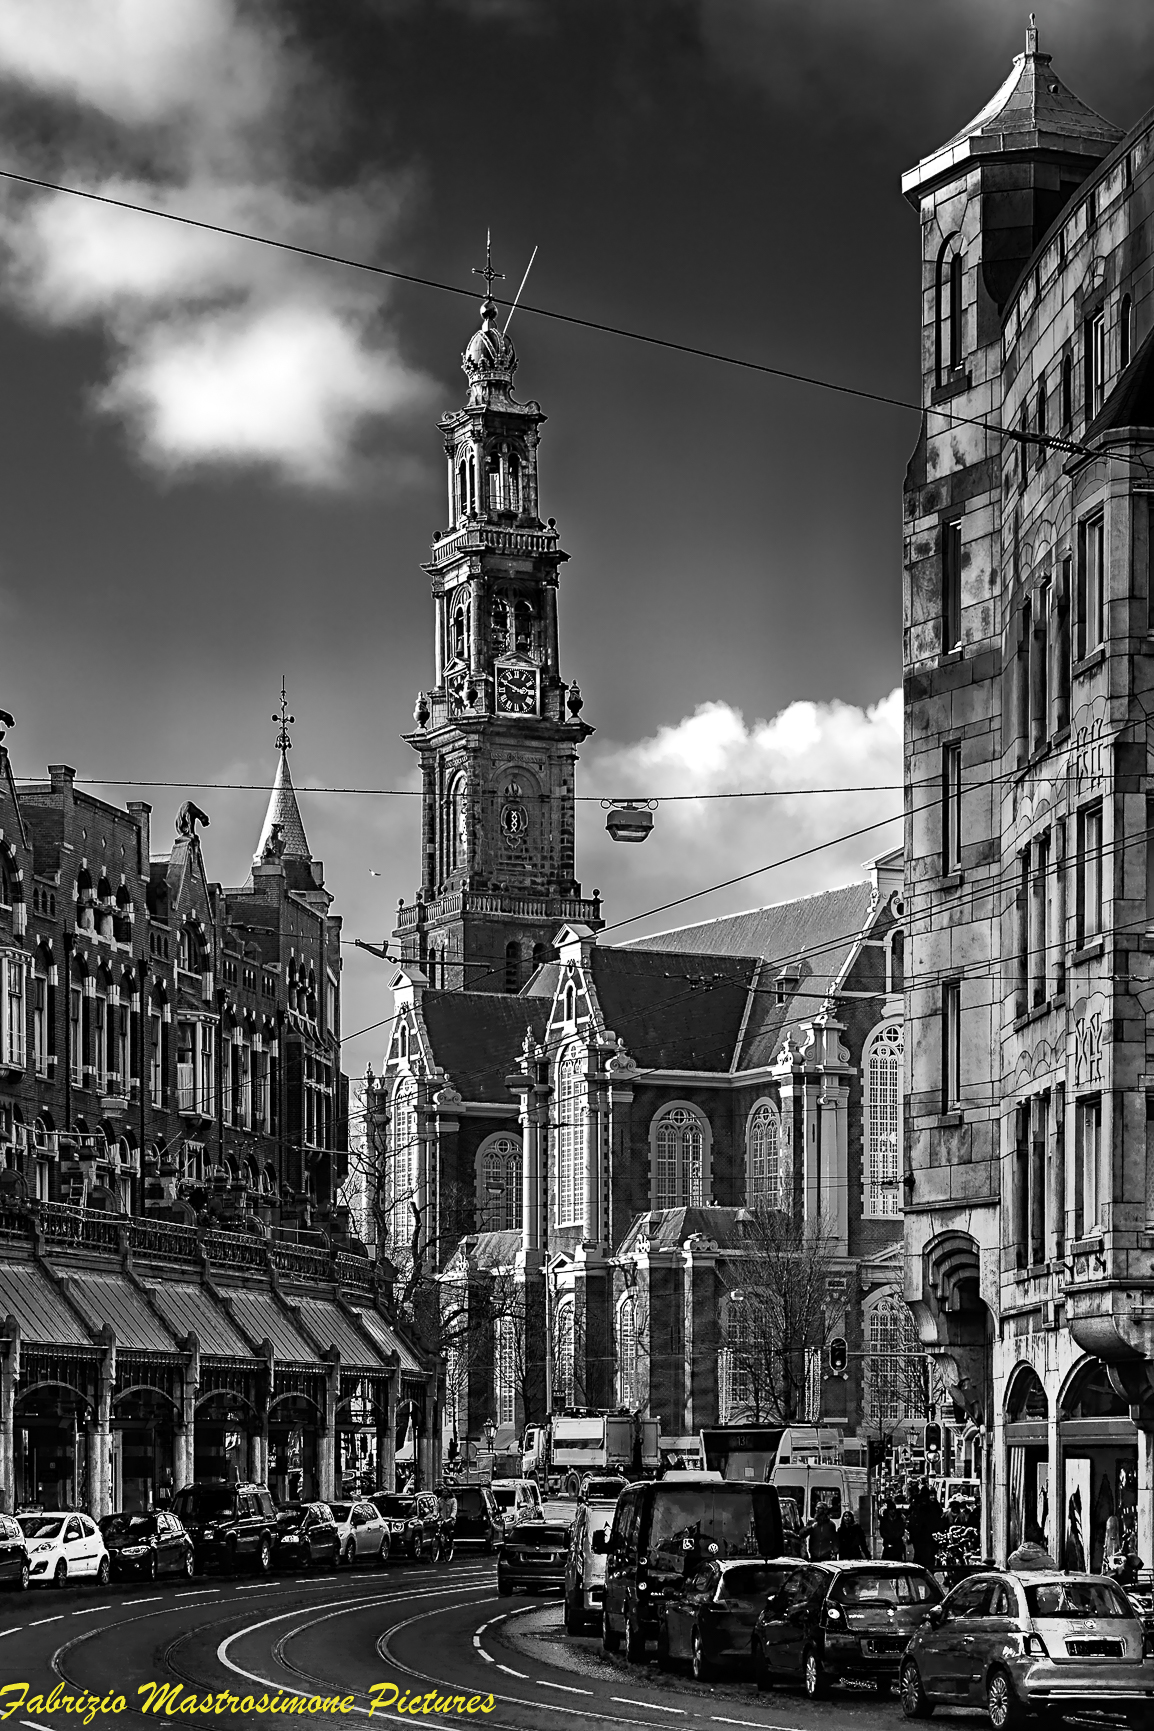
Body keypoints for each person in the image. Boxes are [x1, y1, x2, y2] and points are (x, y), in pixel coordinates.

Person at [907, 1482, 944, 1572]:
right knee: (926, 1558)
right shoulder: (924, 1505)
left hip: (925, 1536)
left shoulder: (930, 1505)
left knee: (924, 1558)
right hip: (925, 1536)